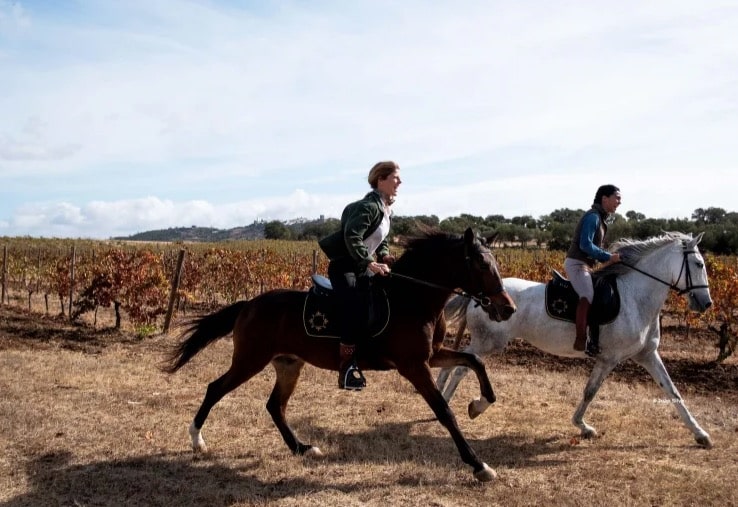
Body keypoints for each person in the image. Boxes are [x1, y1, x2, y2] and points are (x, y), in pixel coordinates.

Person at [318, 161, 402, 390]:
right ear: (381, 180)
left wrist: (384, 257)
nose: (400, 182)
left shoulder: (385, 210)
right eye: (395, 177)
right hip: (345, 267)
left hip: (364, 268)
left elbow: (380, 240)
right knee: (354, 307)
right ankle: (346, 367)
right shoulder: (368, 206)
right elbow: (352, 236)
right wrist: (370, 263)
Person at [564, 184, 622, 356]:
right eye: (617, 198)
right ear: (605, 198)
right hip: (576, 263)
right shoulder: (593, 217)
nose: (619, 202)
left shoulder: (600, 218)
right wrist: (607, 257)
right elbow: (585, 244)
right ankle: (581, 339)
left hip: (586, 265)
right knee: (587, 294)